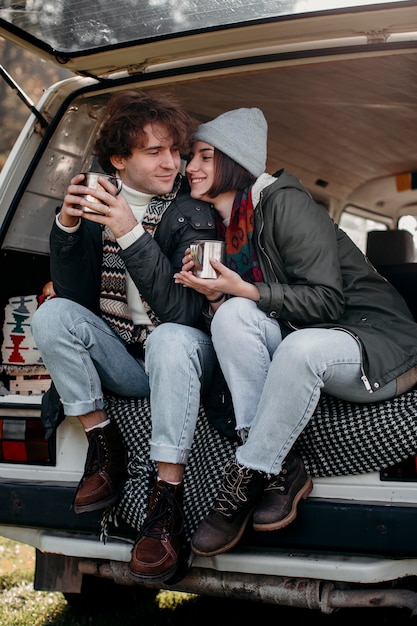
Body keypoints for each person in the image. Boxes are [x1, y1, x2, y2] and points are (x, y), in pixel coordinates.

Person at [174, 107, 417, 557]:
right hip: (314, 334)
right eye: (192, 157)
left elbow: (327, 301)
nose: (191, 167)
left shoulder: (285, 202)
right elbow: (243, 323)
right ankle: (281, 466)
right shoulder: (224, 227)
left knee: (299, 346)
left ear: (235, 160)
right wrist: (214, 296)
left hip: (377, 341)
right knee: (230, 317)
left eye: (205, 156)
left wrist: (243, 288)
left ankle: (245, 474)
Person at [31, 90, 218, 583]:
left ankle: (166, 505)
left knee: (169, 338)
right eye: (155, 151)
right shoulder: (98, 200)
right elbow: (75, 298)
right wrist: (68, 227)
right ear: (120, 159)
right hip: (125, 359)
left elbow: (183, 311)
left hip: (182, 353)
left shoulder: (192, 213)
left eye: (175, 151)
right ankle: (104, 444)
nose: (172, 163)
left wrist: (132, 232)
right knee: (52, 316)